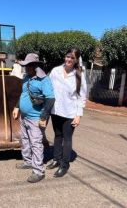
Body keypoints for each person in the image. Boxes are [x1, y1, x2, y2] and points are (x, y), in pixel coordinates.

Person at [12, 53, 55, 183]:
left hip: (36, 118)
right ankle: (28, 161)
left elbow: (50, 98)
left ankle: (38, 171)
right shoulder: (26, 78)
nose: (25, 68)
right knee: (24, 139)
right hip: (24, 116)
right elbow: (23, 94)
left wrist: (44, 116)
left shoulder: (44, 80)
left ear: (35, 66)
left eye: (28, 66)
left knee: (36, 143)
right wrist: (17, 107)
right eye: (25, 66)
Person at [46, 47, 87, 177]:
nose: (69, 59)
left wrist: (78, 115)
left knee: (67, 138)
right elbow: (48, 87)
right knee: (57, 136)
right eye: (67, 56)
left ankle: (64, 164)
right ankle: (56, 159)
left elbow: (82, 96)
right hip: (56, 110)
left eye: (72, 58)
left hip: (70, 113)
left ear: (76, 60)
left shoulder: (79, 76)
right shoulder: (55, 71)